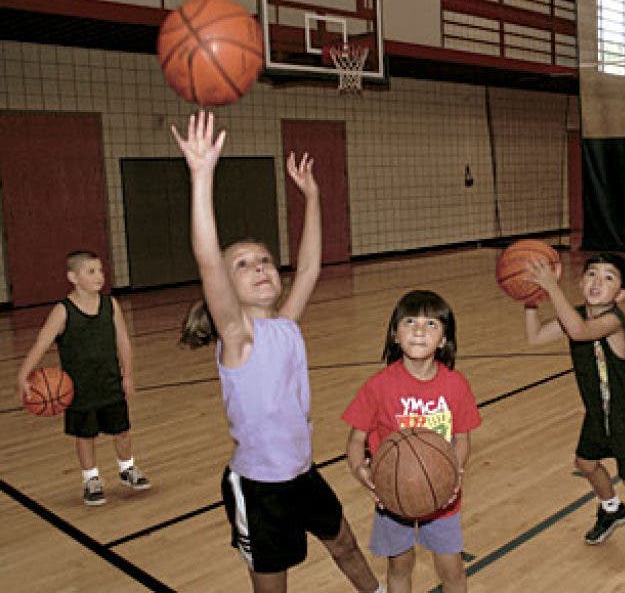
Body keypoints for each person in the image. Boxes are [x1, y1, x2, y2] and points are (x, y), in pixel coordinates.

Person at [174, 111, 382, 593]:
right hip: (259, 490)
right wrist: (201, 176)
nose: (260, 267)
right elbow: (208, 261)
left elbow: (308, 268)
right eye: (243, 265)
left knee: (346, 545)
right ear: (225, 286)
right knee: (272, 586)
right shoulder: (236, 336)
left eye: (265, 260)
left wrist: (312, 197)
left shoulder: (285, 324)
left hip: (304, 474)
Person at [523, 252, 625, 561]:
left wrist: (552, 287)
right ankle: (612, 508)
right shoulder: (574, 315)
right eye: (591, 274)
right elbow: (535, 337)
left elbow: (579, 331)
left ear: (621, 294)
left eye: (608, 277)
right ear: (580, 282)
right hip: (598, 408)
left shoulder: (613, 321)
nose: (597, 281)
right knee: (586, 463)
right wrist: (530, 302)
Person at [343, 289, 482, 593]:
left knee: (452, 570)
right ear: (395, 335)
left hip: (442, 496)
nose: (419, 330)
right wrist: (361, 471)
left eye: (431, 324)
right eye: (410, 322)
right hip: (393, 496)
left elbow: (461, 438)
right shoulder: (378, 386)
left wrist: (454, 473)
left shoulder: (456, 384)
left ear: (444, 340)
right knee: (399, 567)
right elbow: (355, 441)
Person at [15, 250, 151, 506]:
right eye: (91, 271)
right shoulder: (63, 311)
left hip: (110, 381)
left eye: (100, 271)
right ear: (73, 277)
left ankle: (127, 468)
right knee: (86, 436)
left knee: (122, 430)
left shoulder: (110, 305)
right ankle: (91, 479)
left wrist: (128, 374)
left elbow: (123, 341)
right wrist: (23, 375)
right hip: (78, 388)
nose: (99, 276)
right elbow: (41, 344)